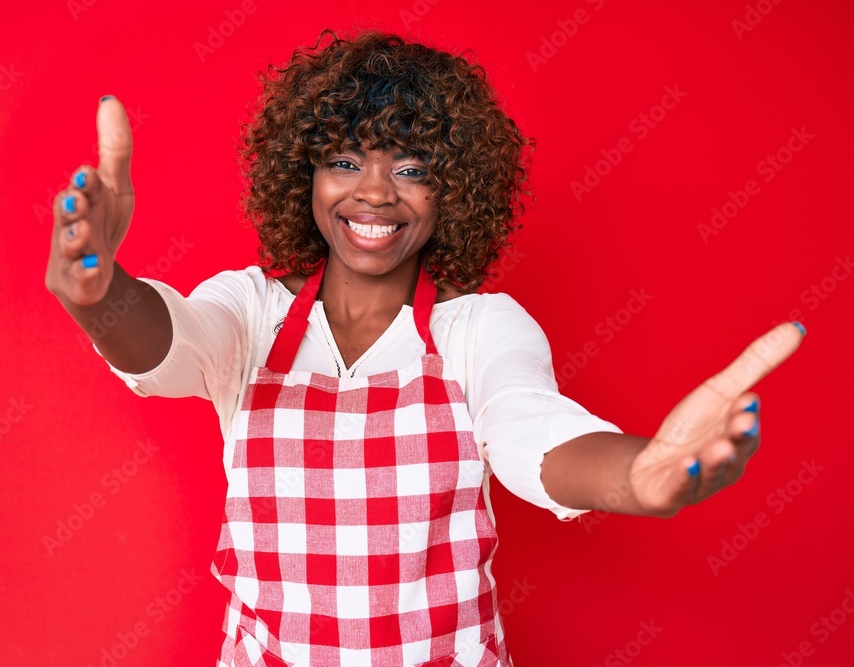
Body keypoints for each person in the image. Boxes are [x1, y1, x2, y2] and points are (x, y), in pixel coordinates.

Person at [44, 29, 804, 667]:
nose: (374, 193)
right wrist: (99, 291)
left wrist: (638, 475)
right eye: (345, 160)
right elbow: (164, 345)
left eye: (411, 169)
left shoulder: (478, 330)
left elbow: (535, 434)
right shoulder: (250, 313)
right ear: (302, 174)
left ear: (455, 189)